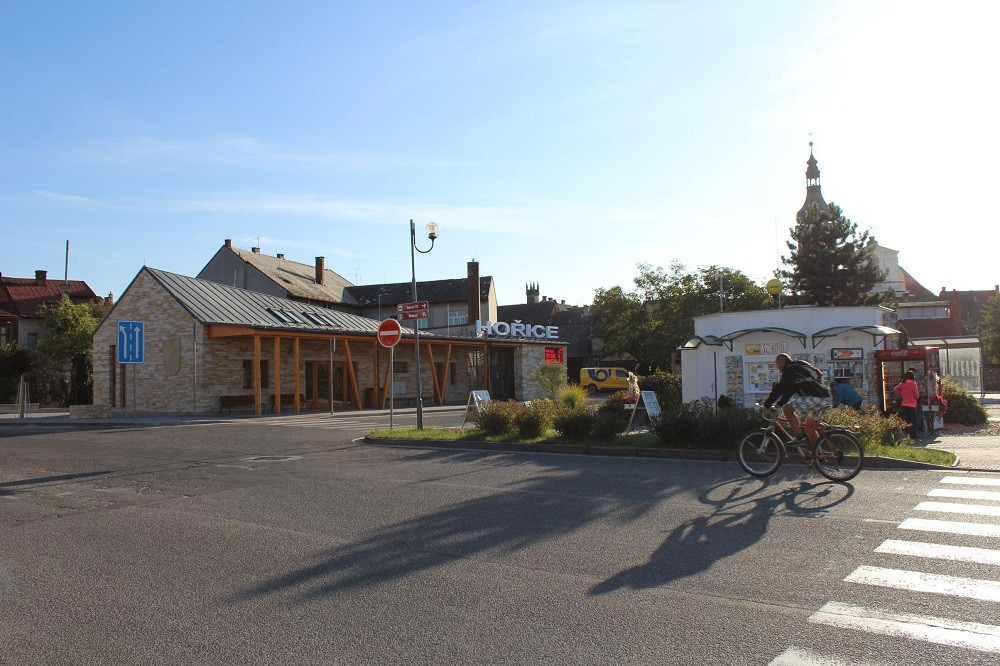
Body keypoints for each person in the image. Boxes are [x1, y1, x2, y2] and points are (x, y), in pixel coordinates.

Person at [763, 353, 832, 447]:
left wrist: (766, 405)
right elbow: (790, 391)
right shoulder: (797, 369)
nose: (777, 367)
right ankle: (818, 453)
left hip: (817, 398)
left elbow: (780, 388)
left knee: (787, 410)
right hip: (824, 397)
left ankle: (799, 438)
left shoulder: (791, 369)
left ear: (783, 362)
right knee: (809, 427)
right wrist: (779, 404)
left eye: (777, 364)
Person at [893, 369, 921, 439]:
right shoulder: (913, 383)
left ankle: (909, 435)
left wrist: (902, 394)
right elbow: (917, 396)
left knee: (908, 421)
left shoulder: (902, 383)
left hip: (904, 405)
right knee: (914, 421)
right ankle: (914, 436)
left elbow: (895, 390)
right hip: (912, 405)